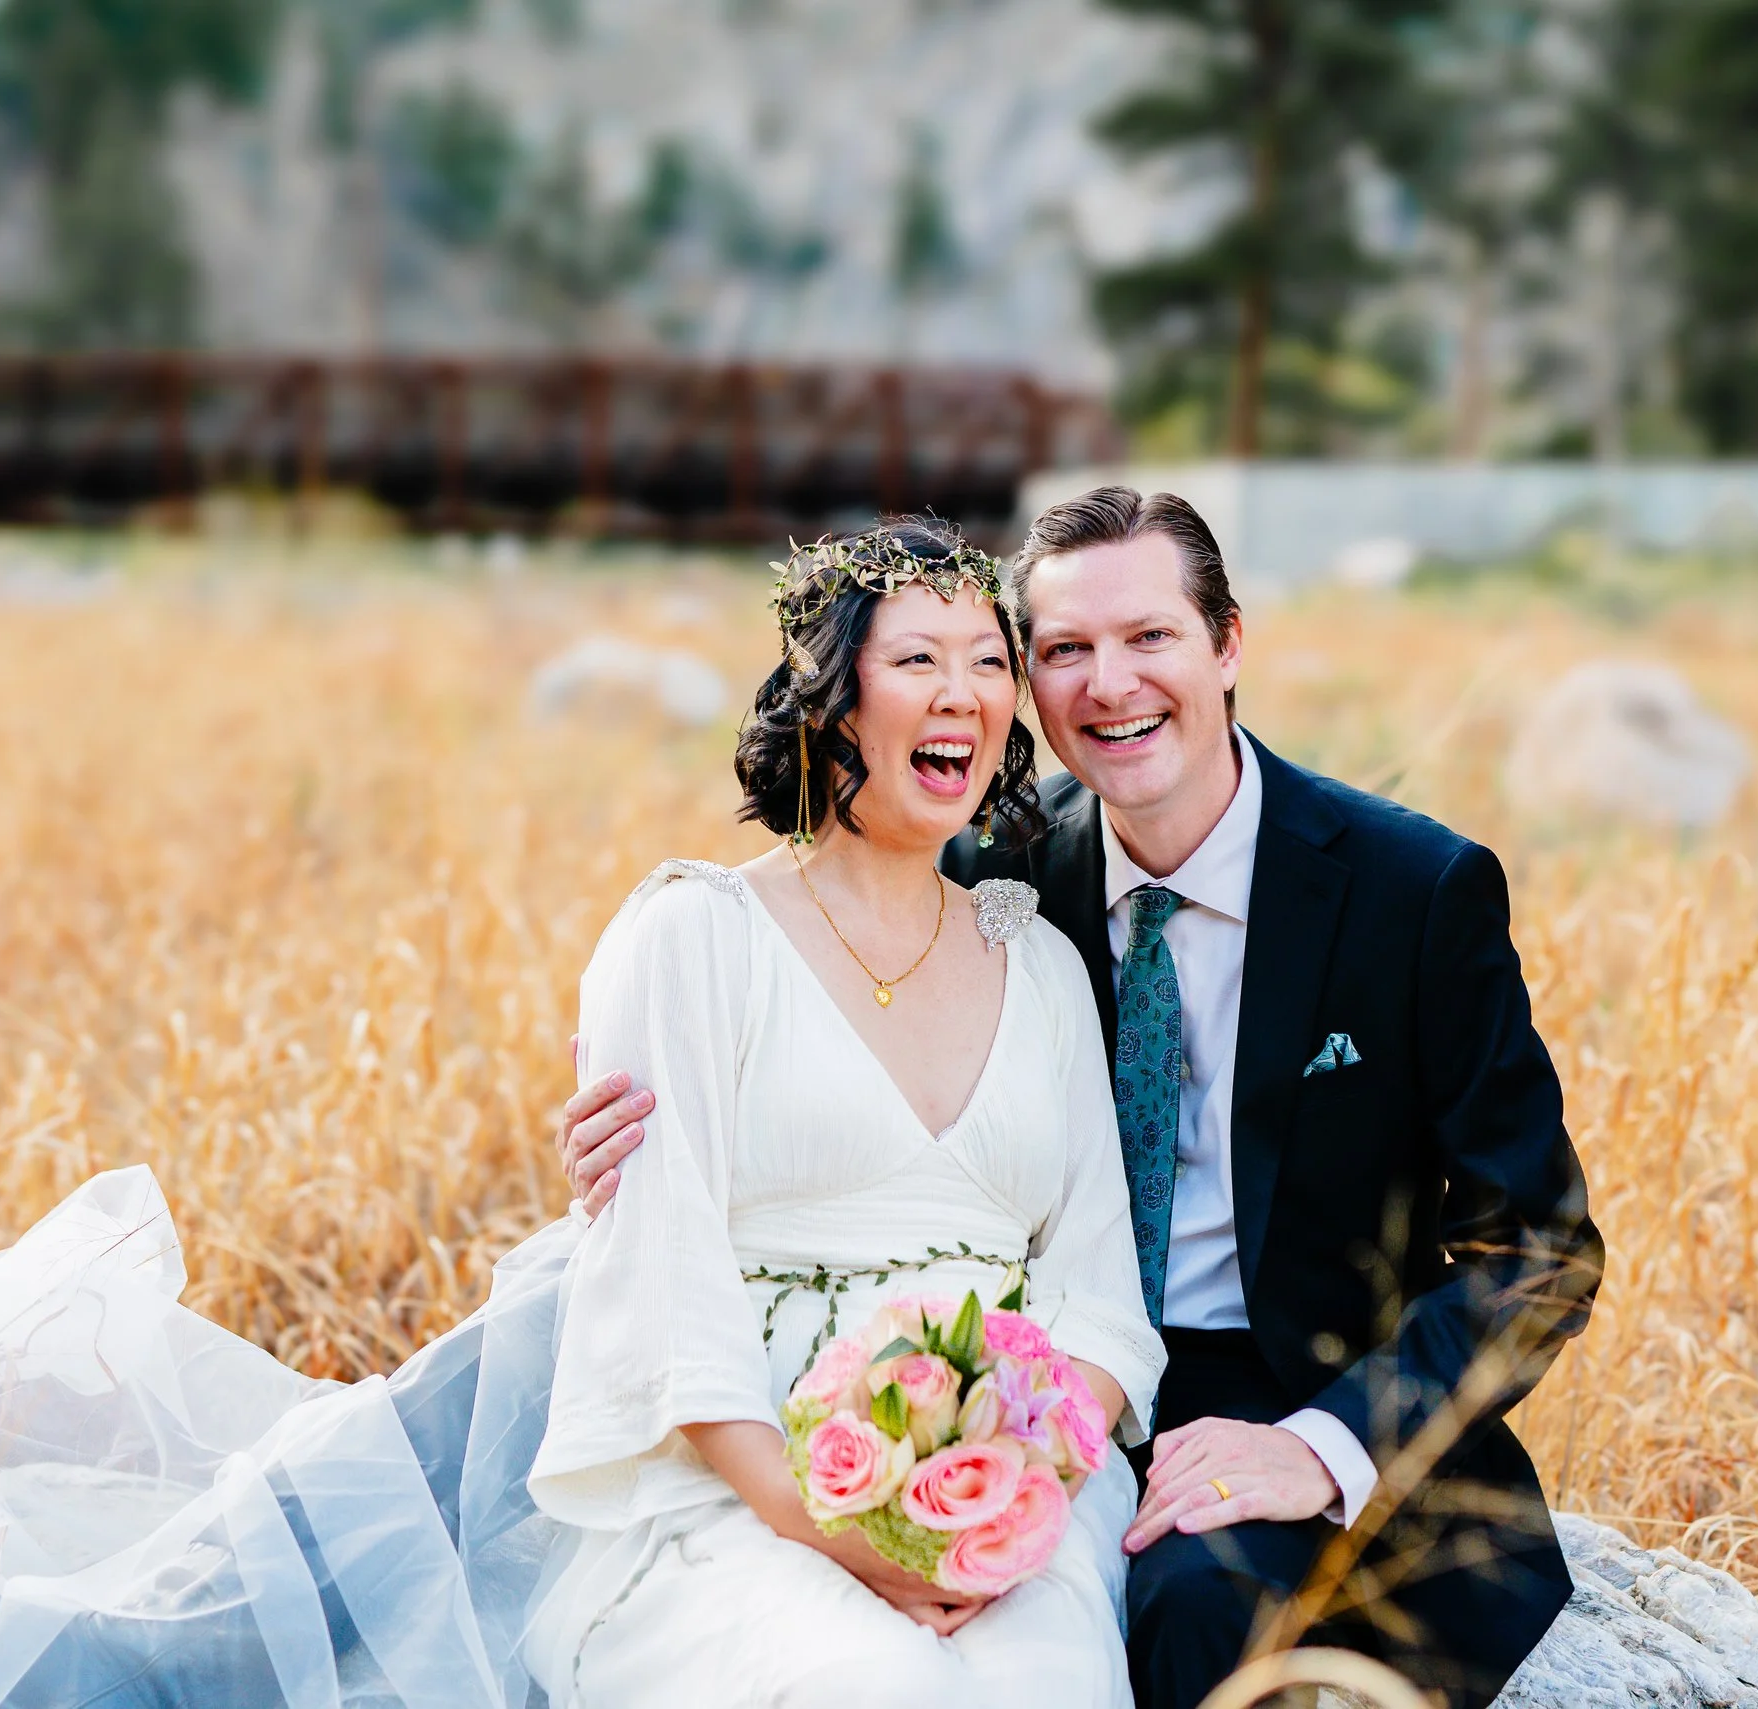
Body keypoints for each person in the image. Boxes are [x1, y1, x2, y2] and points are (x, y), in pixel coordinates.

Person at [0, 519, 1163, 1709]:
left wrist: (1005, 1498)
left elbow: (1099, 1295)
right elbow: (663, 1291)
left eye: (992, 663)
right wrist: (840, 1532)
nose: (967, 693)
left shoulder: (1036, 962)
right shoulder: (694, 939)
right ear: (833, 696)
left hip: (1019, 1501)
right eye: (919, 659)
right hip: (740, 1475)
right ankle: (145, 1652)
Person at [561, 487, 1604, 1709]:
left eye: (1150, 636)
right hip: (1015, 1379)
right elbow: (807, 990)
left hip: (1292, 1383)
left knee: (1191, 1609)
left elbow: (1535, 1247)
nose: (1109, 683)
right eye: (1062, 650)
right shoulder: (993, 873)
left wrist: (1316, 1446)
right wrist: (624, 1124)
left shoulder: (1408, 889)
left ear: (1226, 644)